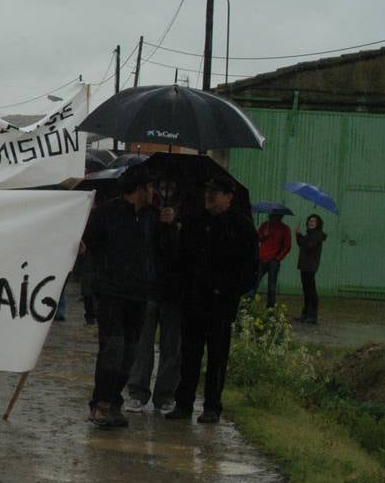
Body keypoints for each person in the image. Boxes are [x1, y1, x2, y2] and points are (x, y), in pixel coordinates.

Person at [167, 177, 259, 424]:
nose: (209, 196)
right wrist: (182, 288)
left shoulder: (242, 226)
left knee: (217, 357)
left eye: (215, 192)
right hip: (193, 301)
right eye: (208, 191)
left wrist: (226, 290)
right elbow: (181, 259)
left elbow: (250, 270)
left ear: (229, 196)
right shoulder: (195, 221)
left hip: (220, 305)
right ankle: (183, 404)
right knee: (189, 355)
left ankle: (212, 406)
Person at [80, 164, 163, 429]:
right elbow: (86, 244)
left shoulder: (153, 217)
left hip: (139, 294)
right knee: (112, 348)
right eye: (150, 187)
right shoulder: (106, 213)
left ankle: (115, 401)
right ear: (140, 189)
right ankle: (100, 403)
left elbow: (161, 252)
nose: (154, 192)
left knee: (130, 351)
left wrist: (170, 227)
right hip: (110, 291)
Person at [124, 177, 184, 413]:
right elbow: (144, 246)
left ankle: (166, 394)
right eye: (161, 186)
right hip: (147, 286)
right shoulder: (147, 215)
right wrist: (161, 225)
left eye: (170, 186)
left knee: (172, 345)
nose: (164, 190)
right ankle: (138, 391)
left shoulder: (186, 214)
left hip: (174, 290)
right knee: (142, 343)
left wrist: (173, 227)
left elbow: (181, 252)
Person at [252, 210, 292, 309]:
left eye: (275, 215)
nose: (272, 217)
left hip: (273, 261)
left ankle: (270, 307)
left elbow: (287, 246)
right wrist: (264, 235)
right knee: (253, 282)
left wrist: (278, 258)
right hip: (261, 259)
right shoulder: (265, 225)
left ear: (280, 216)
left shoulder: (285, 229)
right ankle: (247, 304)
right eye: (272, 215)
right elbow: (256, 239)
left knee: (272, 285)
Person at [295, 214, 327, 324]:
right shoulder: (309, 234)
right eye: (310, 220)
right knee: (306, 290)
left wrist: (301, 237)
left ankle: (312, 316)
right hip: (304, 265)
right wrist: (298, 235)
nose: (311, 222)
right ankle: (305, 314)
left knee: (311, 291)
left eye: (313, 221)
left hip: (310, 266)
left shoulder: (317, 235)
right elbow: (302, 244)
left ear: (318, 224)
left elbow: (308, 246)